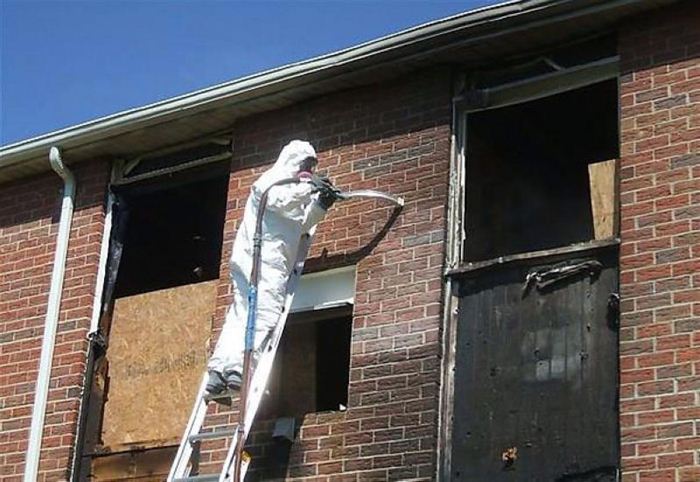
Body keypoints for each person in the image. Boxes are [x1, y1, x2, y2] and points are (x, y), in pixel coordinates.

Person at [205, 140, 337, 398]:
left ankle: (218, 371)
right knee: (264, 312)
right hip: (263, 260)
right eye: (305, 165)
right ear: (292, 161)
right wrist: (309, 186)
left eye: (312, 167)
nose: (308, 171)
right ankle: (240, 367)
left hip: (259, 260)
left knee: (241, 314)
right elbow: (277, 199)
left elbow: (299, 223)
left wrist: (321, 204)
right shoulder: (273, 182)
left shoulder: (294, 193)